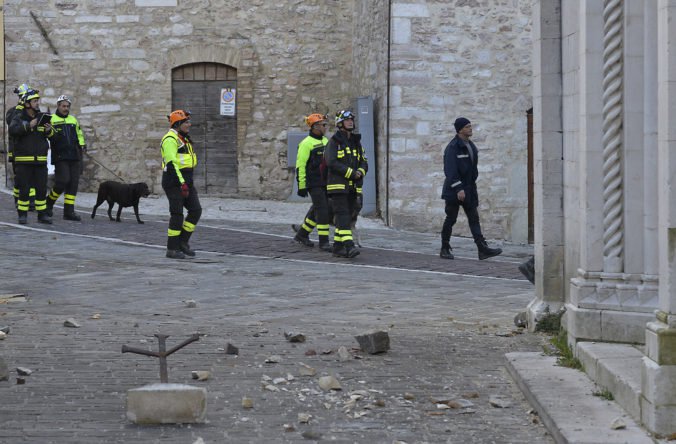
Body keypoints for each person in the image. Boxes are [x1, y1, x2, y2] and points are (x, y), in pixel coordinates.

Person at [440, 117, 502, 260]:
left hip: (469, 189)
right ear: (460, 129)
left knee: (474, 218)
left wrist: (470, 185)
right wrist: (458, 189)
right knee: (451, 219)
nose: (470, 128)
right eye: (467, 126)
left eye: (470, 126)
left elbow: (472, 168)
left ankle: (482, 249)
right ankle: (444, 248)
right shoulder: (453, 147)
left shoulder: (470, 146)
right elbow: (450, 171)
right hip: (454, 191)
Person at [324, 109, 368, 258]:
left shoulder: (356, 142)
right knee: (342, 215)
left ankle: (337, 247)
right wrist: (350, 172)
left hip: (352, 186)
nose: (350, 122)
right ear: (340, 123)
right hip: (337, 186)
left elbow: (364, 161)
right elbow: (331, 162)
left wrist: (360, 172)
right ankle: (349, 246)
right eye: (347, 120)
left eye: (351, 120)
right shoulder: (334, 141)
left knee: (347, 215)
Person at [8, 87, 54, 224]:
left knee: (41, 190)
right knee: (24, 189)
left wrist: (49, 131)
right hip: (23, 161)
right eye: (34, 101)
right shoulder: (18, 117)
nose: (37, 103)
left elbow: (51, 137)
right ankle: (22, 215)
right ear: (27, 103)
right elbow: (13, 130)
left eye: (37, 101)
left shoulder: (41, 117)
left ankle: (42, 215)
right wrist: (28, 126)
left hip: (40, 161)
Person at [161, 110, 202, 259]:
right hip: (174, 180)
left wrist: (186, 182)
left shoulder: (183, 138)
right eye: (186, 122)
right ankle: (172, 249)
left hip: (186, 179)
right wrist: (182, 183)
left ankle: (183, 242)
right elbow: (172, 164)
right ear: (177, 124)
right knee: (177, 215)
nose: (189, 124)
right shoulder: (170, 139)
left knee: (196, 210)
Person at [293, 113, 332, 251]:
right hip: (314, 183)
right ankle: (324, 242)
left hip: (325, 182)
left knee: (316, 209)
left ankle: (302, 234)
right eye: (323, 125)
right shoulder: (305, 144)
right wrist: (302, 186)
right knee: (323, 211)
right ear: (315, 127)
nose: (326, 127)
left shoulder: (326, 141)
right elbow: (300, 166)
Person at [46, 95, 86, 221]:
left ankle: (69, 212)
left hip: (74, 155)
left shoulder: (73, 120)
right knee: (63, 181)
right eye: (63, 106)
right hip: (60, 155)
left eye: (67, 106)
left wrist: (82, 145)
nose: (66, 108)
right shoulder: (51, 119)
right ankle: (49, 202)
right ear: (58, 106)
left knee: (73, 184)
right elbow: (48, 135)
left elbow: (79, 133)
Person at [6, 84, 36, 209]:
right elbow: (12, 124)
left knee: (32, 177)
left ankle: (32, 200)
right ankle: (17, 198)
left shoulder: (31, 112)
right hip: (16, 151)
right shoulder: (13, 111)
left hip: (30, 151)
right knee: (19, 177)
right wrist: (19, 108)